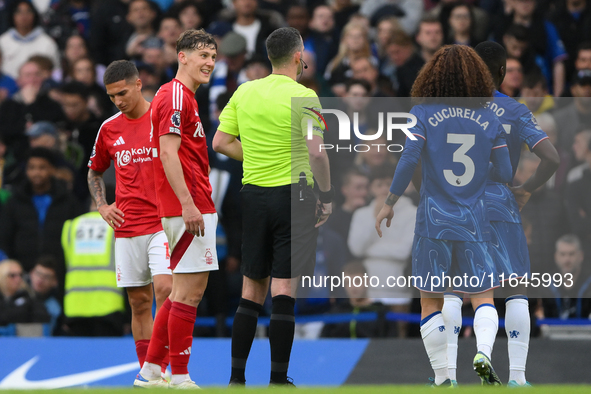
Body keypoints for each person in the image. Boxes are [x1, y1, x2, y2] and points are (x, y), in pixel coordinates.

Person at [375, 45, 513, 387]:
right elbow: (506, 172)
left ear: (432, 76)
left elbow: (408, 160)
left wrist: (390, 200)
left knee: (431, 301)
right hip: (476, 217)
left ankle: (442, 377)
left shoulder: (421, 113)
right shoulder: (490, 117)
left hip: (433, 218)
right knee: (482, 295)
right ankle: (483, 351)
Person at [213, 27, 332, 386]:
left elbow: (220, 142)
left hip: (253, 196)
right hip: (294, 196)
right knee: (284, 289)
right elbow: (315, 151)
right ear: (298, 57)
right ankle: (278, 379)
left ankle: (236, 379)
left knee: (252, 290)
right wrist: (325, 196)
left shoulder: (245, 91)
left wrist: (257, 157)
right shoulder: (305, 96)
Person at [442, 41, 560, 388]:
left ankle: (447, 374)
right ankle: (518, 378)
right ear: (503, 71)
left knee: (453, 290)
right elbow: (551, 158)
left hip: (456, 205)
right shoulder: (515, 110)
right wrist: (527, 190)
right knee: (516, 288)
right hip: (500, 202)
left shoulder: (446, 109)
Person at [136, 29, 218, 389]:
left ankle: (151, 371)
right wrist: (187, 203)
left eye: (213, 57)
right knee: (190, 293)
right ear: (181, 56)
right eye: (202, 55)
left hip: (191, 202)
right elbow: (167, 153)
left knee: (181, 290)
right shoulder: (174, 96)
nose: (210, 62)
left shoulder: (183, 97)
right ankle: (181, 376)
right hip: (188, 204)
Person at [87, 60, 172, 371]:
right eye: (112, 97)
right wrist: (102, 205)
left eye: (122, 93)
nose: (118, 102)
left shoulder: (163, 120)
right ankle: (146, 373)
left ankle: (160, 367)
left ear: (139, 84)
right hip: (127, 226)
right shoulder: (109, 128)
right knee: (138, 303)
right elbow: (95, 171)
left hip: (164, 222)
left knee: (165, 289)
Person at [0, 147, 81, 273]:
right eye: (31, 168)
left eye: (42, 167)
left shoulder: (68, 200)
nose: (36, 173)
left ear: (52, 169)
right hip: (23, 272)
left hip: (60, 271)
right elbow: (5, 237)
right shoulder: (15, 201)